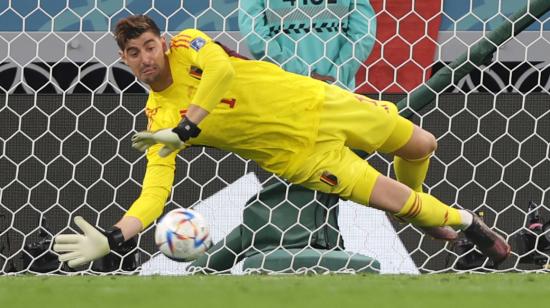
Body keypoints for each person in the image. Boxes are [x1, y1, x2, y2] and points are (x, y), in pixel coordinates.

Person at [53, 15, 510, 269]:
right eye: (134, 53)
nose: (145, 57)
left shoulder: (191, 44)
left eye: (149, 46)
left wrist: (189, 126)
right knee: (395, 198)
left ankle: (428, 216)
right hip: (303, 158)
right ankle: (470, 225)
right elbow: (155, 192)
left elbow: (223, 72)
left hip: (319, 101)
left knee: (421, 145)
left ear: (163, 43)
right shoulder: (158, 119)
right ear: (124, 60)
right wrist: (115, 236)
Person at [238, 0, 376, 90]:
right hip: (337, 93)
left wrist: (301, 75)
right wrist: (337, 79)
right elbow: (364, 34)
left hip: (285, 89)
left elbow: (254, 36)